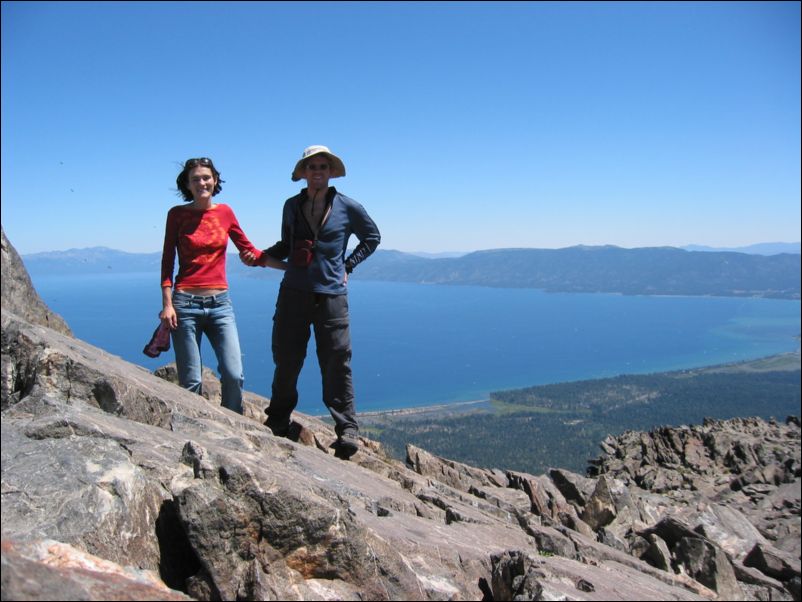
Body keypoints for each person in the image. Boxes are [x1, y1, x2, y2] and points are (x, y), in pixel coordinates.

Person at [243, 145, 380, 457]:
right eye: (311, 167)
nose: (317, 171)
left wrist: (347, 266)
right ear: (303, 173)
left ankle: (347, 430)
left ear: (330, 171)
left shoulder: (348, 206)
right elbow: (286, 244)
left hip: (331, 295)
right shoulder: (291, 205)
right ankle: (277, 419)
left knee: (336, 362)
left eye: (323, 166)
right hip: (293, 292)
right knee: (287, 358)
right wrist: (261, 257)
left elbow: (372, 238)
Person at [159, 157, 264, 415]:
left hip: (220, 305)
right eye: (195, 179)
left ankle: (230, 428)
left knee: (234, 375)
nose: (202, 183)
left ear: (215, 180)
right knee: (191, 381)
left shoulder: (225, 213)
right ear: (187, 184)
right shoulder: (177, 215)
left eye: (206, 177)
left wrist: (293, 267)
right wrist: (167, 304)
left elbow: (249, 251)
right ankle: (194, 431)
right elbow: (167, 262)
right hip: (185, 305)